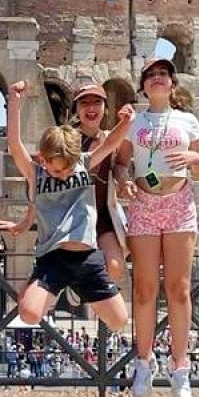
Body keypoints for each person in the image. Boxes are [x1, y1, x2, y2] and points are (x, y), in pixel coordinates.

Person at [1, 80, 135, 338]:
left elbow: (110, 145)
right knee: (28, 314)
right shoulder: (36, 173)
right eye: (55, 169)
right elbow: (15, 145)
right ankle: (48, 286)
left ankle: (76, 289)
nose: (61, 174)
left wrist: (127, 121)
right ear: (44, 160)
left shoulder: (84, 164)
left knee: (120, 321)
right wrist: (15, 103)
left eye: (67, 169)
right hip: (54, 258)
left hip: (88, 257)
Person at [114, 56, 199, 397]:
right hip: (143, 205)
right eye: (151, 75)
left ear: (172, 84)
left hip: (179, 203)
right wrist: (123, 182)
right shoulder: (134, 121)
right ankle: (143, 361)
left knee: (180, 289)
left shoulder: (188, 120)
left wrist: (194, 159)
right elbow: (121, 164)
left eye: (163, 75)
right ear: (143, 85)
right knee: (143, 288)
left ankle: (180, 366)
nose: (157, 79)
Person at [69, 83, 128, 284]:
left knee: (115, 267)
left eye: (97, 102)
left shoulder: (111, 138)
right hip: (73, 216)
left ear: (105, 108)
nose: (91, 108)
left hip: (102, 215)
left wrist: (123, 182)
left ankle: (94, 302)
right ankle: (78, 287)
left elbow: (119, 166)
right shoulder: (66, 139)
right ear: (76, 109)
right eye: (84, 103)